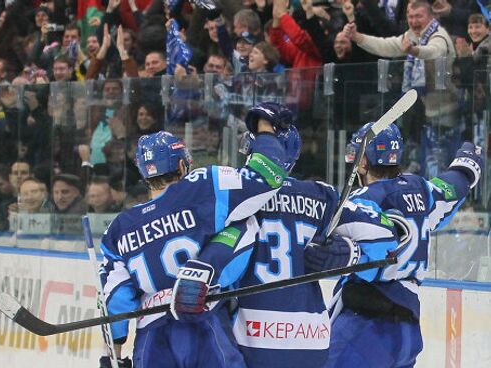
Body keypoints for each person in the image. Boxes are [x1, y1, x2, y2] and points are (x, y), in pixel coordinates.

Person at [171, 125, 402, 368]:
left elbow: (227, 256)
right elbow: (385, 236)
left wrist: (200, 279)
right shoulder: (320, 195)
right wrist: (349, 254)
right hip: (313, 339)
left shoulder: (241, 201)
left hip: (256, 338)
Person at [98, 102, 293, 368]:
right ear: (182, 165)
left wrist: (114, 356)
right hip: (205, 321)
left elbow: (116, 298)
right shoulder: (203, 185)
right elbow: (268, 175)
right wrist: (265, 129)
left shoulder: (119, 228)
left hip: (152, 334)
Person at [324, 123, 483, 367]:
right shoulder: (421, 190)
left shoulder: (362, 200)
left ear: (363, 162)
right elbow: (454, 185)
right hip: (408, 331)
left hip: (365, 326)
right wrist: (468, 163)